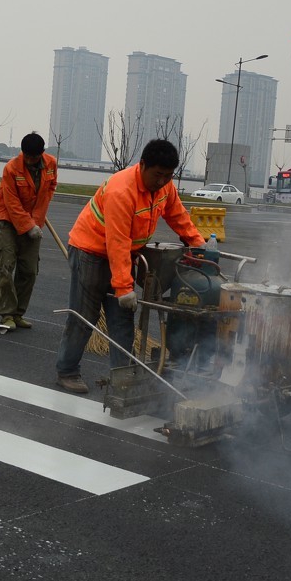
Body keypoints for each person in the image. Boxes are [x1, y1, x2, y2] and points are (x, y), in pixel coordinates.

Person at [53, 139, 205, 394]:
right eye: (157, 175)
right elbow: (117, 241)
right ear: (142, 165)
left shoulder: (165, 188)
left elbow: (178, 216)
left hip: (123, 255)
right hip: (90, 251)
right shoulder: (121, 191)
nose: (162, 181)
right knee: (84, 317)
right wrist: (123, 288)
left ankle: (123, 378)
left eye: (168, 176)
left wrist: (198, 244)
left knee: (122, 320)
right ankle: (67, 371)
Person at [0, 132, 58, 331]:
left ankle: (18, 313)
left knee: (29, 270)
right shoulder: (12, 168)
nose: (30, 161)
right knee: (6, 266)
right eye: (27, 156)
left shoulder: (51, 164)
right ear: (22, 153)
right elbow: (11, 203)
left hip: (34, 222)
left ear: (42, 154)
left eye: (34, 157)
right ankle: (6, 314)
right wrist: (28, 225)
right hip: (8, 220)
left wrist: (36, 222)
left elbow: (50, 189)